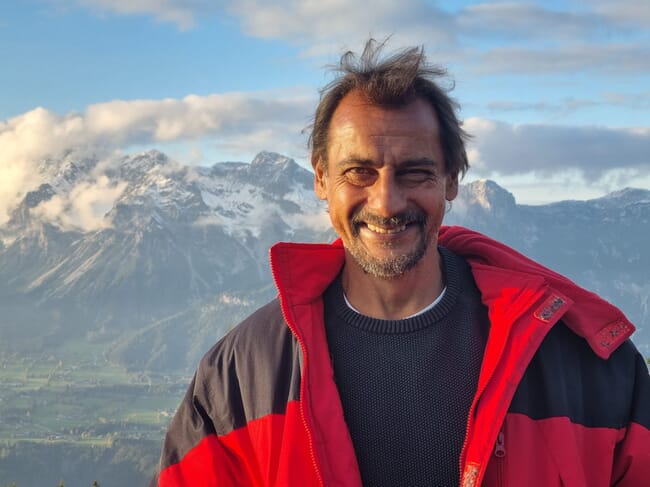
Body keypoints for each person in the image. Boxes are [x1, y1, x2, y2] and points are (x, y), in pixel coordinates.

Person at [151, 40, 650, 487]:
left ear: (452, 181)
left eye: (414, 173)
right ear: (322, 180)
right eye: (359, 172)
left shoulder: (592, 368)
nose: (386, 203)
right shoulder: (239, 376)